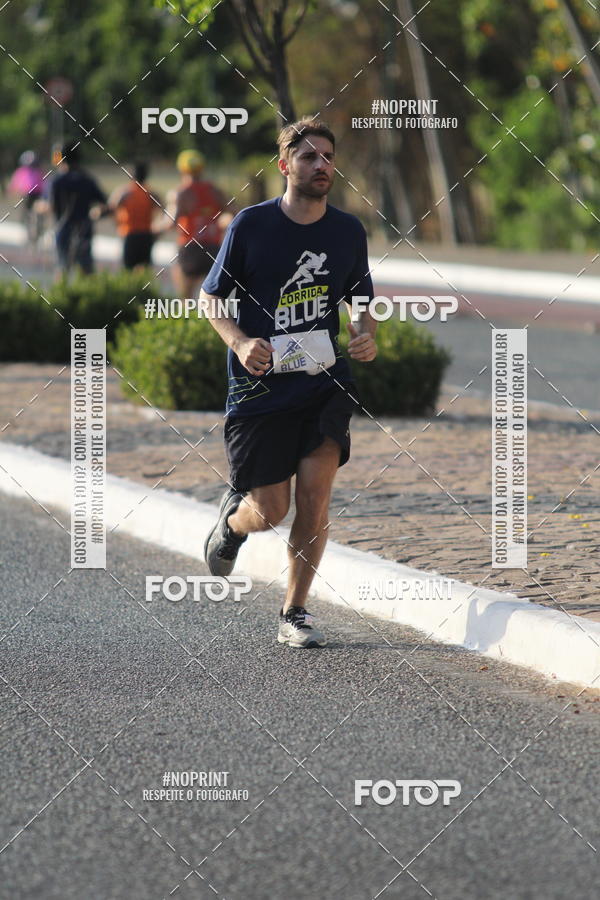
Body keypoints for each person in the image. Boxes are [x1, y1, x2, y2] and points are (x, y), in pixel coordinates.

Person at [201, 117, 377, 649]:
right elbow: (211, 298)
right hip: (260, 389)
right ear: (285, 166)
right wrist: (238, 341)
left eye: (327, 157)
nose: (321, 165)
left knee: (316, 499)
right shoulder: (251, 226)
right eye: (309, 157)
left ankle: (294, 613)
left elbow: (361, 303)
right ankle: (234, 524)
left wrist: (365, 335)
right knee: (271, 510)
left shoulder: (348, 231)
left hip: (323, 383)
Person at [163, 150, 228, 297]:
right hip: (213, 247)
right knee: (214, 298)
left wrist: (155, 227)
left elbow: (170, 222)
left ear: (181, 169)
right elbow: (234, 214)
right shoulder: (215, 191)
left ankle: (186, 319)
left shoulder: (181, 193)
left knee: (186, 298)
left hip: (190, 247)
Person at [49, 141, 107, 275]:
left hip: (63, 229)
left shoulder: (57, 180)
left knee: (63, 268)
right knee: (86, 270)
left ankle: (62, 294)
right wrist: (96, 213)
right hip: (84, 229)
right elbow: (104, 203)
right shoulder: (87, 179)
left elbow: (51, 205)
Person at [109, 161, 162, 269]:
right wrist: (157, 229)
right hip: (146, 234)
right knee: (144, 268)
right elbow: (164, 211)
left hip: (130, 234)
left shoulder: (124, 192)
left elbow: (112, 209)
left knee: (128, 268)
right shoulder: (151, 193)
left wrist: (118, 225)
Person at [8, 151, 45, 241]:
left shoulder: (39, 172)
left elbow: (44, 183)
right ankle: (28, 230)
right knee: (27, 213)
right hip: (26, 195)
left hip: (37, 194)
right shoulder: (21, 172)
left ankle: (38, 230)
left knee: (39, 213)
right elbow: (14, 183)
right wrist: (12, 191)